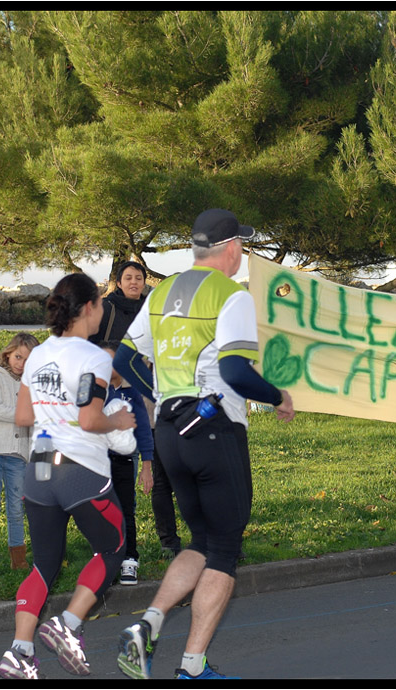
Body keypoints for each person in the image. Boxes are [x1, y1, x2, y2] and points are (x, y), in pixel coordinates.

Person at [113, 208, 296, 680]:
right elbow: (235, 371)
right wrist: (278, 397)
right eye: (244, 247)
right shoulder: (231, 295)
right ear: (231, 247)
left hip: (171, 433)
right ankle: (192, 668)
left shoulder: (162, 292)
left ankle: (148, 624)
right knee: (225, 550)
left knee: (200, 540)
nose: (244, 255)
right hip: (215, 430)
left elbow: (126, 357)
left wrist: (159, 395)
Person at [0, 273, 136, 679]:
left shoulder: (38, 355)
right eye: (101, 306)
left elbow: (24, 416)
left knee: (44, 565)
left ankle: (20, 652)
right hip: (78, 467)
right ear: (89, 307)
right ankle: (66, 625)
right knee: (113, 549)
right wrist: (119, 420)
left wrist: (55, 415)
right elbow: (92, 418)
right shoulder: (95, 358)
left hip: (38, 465)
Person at [92, 261, 185, 559]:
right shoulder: (106, 309)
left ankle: (156, 540)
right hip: (116, 395)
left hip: (158, 396)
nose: (134, 282)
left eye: (139, 277)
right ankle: (112, 542)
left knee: (163, 470)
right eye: (128, 278)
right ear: (118, 282)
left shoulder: (153, 311)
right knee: (116, 473)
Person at [0, 332, 40, 578]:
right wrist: (27, 414)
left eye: (27, 360)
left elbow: (34, 424)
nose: (21, 364)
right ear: (8, 353)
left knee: (16, 508)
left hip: (18, 454)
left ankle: (18, 559)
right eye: (17, 357)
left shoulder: (32, 385)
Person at [98, 340, 155, 586]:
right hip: (97, 461)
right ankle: (106, 561)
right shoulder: (93, 393)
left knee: (125, 510)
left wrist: (147, 466)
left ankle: (129, 560)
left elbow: (143, 430)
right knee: (101, 511)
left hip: (123, 460)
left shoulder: (131, 393)